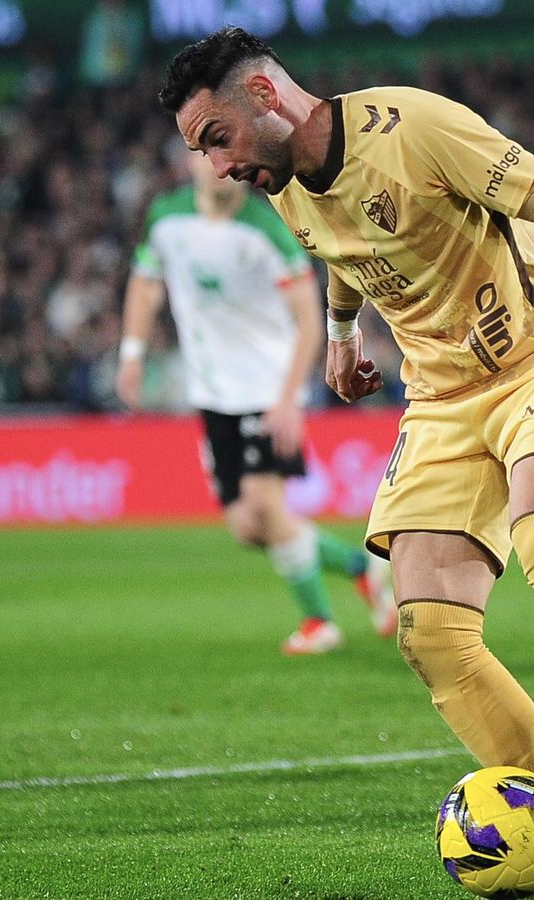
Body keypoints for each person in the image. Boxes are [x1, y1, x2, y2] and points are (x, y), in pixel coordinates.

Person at [158, 27, 534, 894]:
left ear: (265, 99)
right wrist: (342, 335)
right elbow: (343, 249)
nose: (218, 165)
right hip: (443, 397)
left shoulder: (412, 127)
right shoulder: (283, 185)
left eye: (215, 138)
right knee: (430, 635)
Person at [117, 148, 393, 655]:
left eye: (228, 156)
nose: (218, 166)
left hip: (267, 391)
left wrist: (289, 401)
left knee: (267, 508)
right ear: (189, 160)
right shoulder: (166, 218)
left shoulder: (267, 231)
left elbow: (310, 320)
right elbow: (144, 282)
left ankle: (319, 622)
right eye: (206, 154)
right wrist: (131, 353)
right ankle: (363, 568)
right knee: (247, 527)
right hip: (211, 395)